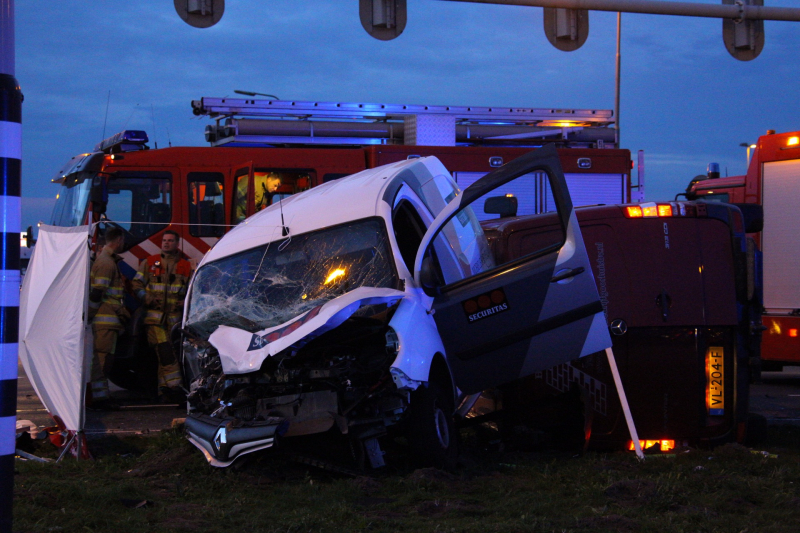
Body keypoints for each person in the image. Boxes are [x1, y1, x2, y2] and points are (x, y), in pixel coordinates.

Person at [132, 230, 192, 403]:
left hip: (174, 319)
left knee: (164, 353)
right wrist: (148, 298)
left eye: (170, 240)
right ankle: (176, 387)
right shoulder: (150, 262)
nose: (166, 243)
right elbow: (136, 284)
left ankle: (163, 390)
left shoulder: (185, 266)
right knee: (166, 352)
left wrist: (185, 303)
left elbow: (191, 289)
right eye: (164, 240)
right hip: (154, 318)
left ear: (177, 243)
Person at [87, 226, 129, 410]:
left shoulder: (106, 260)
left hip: (108, 319)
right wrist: (91, 314)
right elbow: (97, 293)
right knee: (101, 360)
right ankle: (100, 399)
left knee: (104, 359)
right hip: (105, 320)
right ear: (119, 240)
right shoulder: (106, 263)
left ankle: (101, 396)